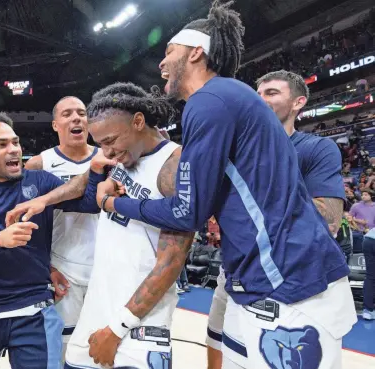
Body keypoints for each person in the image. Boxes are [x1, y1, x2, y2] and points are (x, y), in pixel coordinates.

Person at [95, 2, 357, 369]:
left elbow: (188, 213)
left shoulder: (209, 100)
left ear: (196, 53)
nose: (161, 63)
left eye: (169, 51)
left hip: (286, 284)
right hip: (259, 278)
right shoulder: (228, 99)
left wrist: (114, 205)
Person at [6, 82, 194, 369]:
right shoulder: (122, 153)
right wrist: (43, 200)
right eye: (101, 143)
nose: (105, 151)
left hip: (138, 322)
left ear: (139, 121)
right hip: (97, 305)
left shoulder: (174, 166)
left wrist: (117, 329)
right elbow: (82, 181)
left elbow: (171, 263)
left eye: (110, 141)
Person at [0, 112, 111, 369]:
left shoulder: (39, 181)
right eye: (1, 144)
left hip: (34, 310)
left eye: (15, 142)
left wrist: (96, 171)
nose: (14, 150)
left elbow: (88, 204)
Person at [205, 70, 347, 368]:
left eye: (271, 93)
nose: (259, 100)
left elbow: (330, 220)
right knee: (218, 347)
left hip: (293, 281)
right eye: (257, 93)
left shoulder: (316, 149)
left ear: (298, 102)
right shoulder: (235, 152)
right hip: (235, 270)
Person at [25, 96, 99, 355]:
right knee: (63, 349)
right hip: (62, 268)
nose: (77, 118)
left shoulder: (110, 156)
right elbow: (28, 225)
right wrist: (46, 267)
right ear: (55, 125)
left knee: (101, 348)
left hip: (107, 266)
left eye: (81, 112)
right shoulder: (38, 164)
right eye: (67, 114)